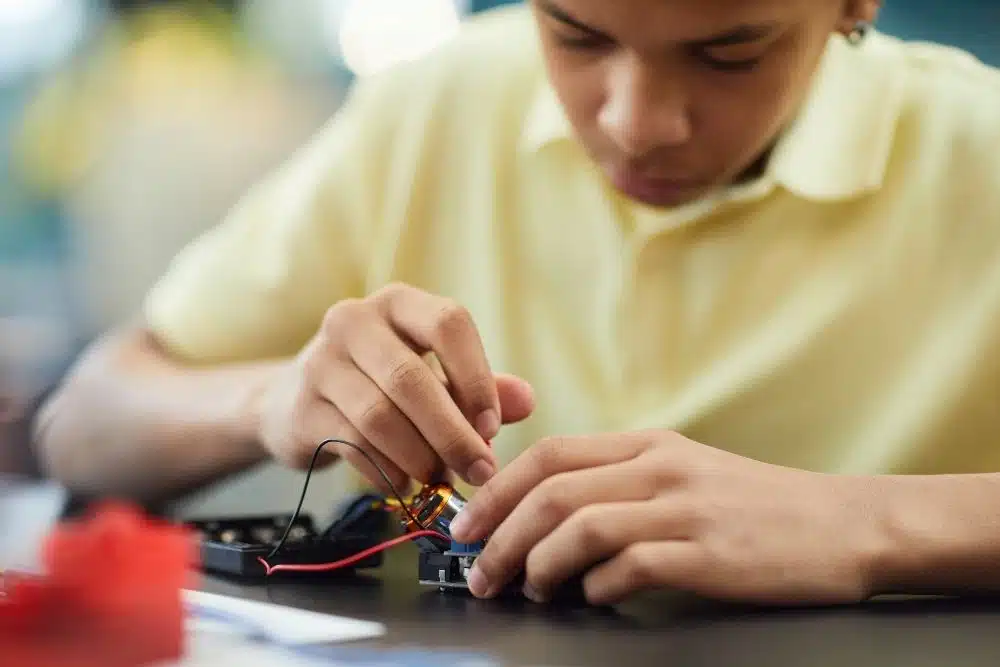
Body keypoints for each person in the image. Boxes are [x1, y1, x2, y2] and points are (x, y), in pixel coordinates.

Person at [32, 0, 1000, 607]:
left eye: (729, 53)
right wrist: (266, 401)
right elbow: (81, 423)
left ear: (852, 5)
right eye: (575, 34)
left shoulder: (978, 151)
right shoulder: (436, 105)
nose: (635, 123)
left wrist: (865, 524)